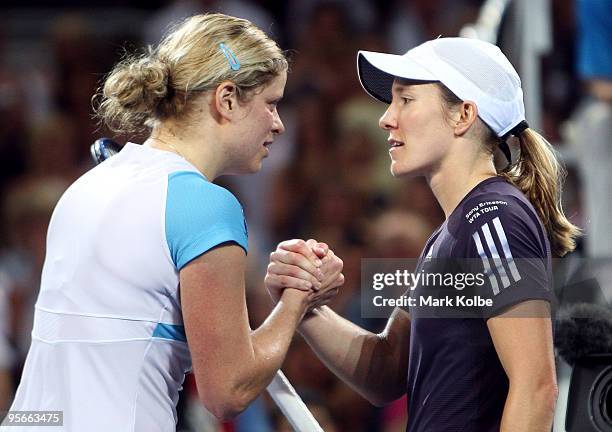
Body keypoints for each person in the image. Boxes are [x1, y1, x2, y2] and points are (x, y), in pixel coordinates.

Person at [3, 14, 343, 432]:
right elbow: (228, 391)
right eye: (271, 103)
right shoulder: (206, 207)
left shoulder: (83, 187)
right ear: (227, 99)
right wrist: (297, 298)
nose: (279, 122)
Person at [266, 37, 581, 431]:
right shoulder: (455, 232)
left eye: (407, 100)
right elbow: (387, 368)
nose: (386, 118)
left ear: (463, 115)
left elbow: (535, 386)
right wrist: (303, 303)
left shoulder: (493, 217)